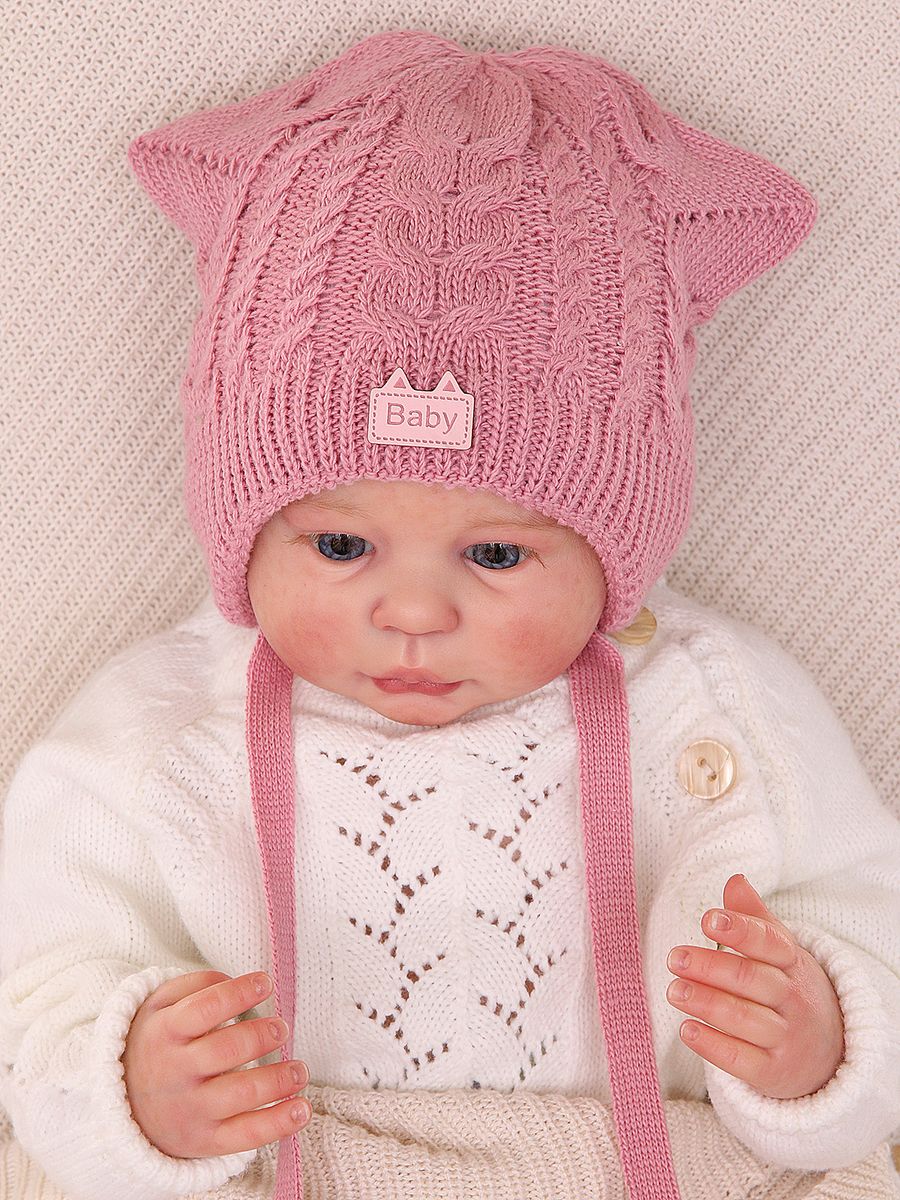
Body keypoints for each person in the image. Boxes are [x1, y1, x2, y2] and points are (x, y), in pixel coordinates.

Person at [1, 27, 898, 1200]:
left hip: (655, 1164)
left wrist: (827, 1046)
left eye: (497, 553)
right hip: (298, 1161)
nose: (415, 610)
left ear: (616, 548)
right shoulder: (156, 727)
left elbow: (870, 919)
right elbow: (38, 981)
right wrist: (131, 1091)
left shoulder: (719, 703)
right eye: (338, 546)